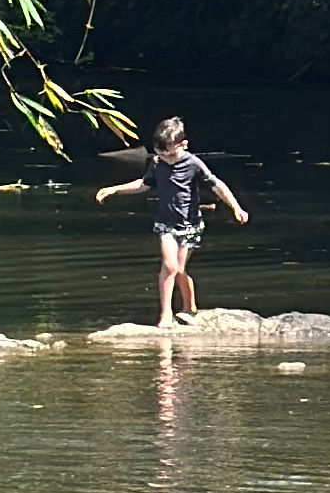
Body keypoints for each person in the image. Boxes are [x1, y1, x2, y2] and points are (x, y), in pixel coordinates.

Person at [96, 115, 249, 333]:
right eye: (161, 153)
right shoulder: (157, 163)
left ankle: (189, 306)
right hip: (166, 224)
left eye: (171, 153)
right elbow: (144, 184)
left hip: (190, 225)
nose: (166, 158)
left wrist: (236, 207)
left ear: (182, 145)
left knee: (179, 269)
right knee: (169, 266)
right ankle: (166, 313)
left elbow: (217, 185)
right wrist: (115, 189)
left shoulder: (193, 163)